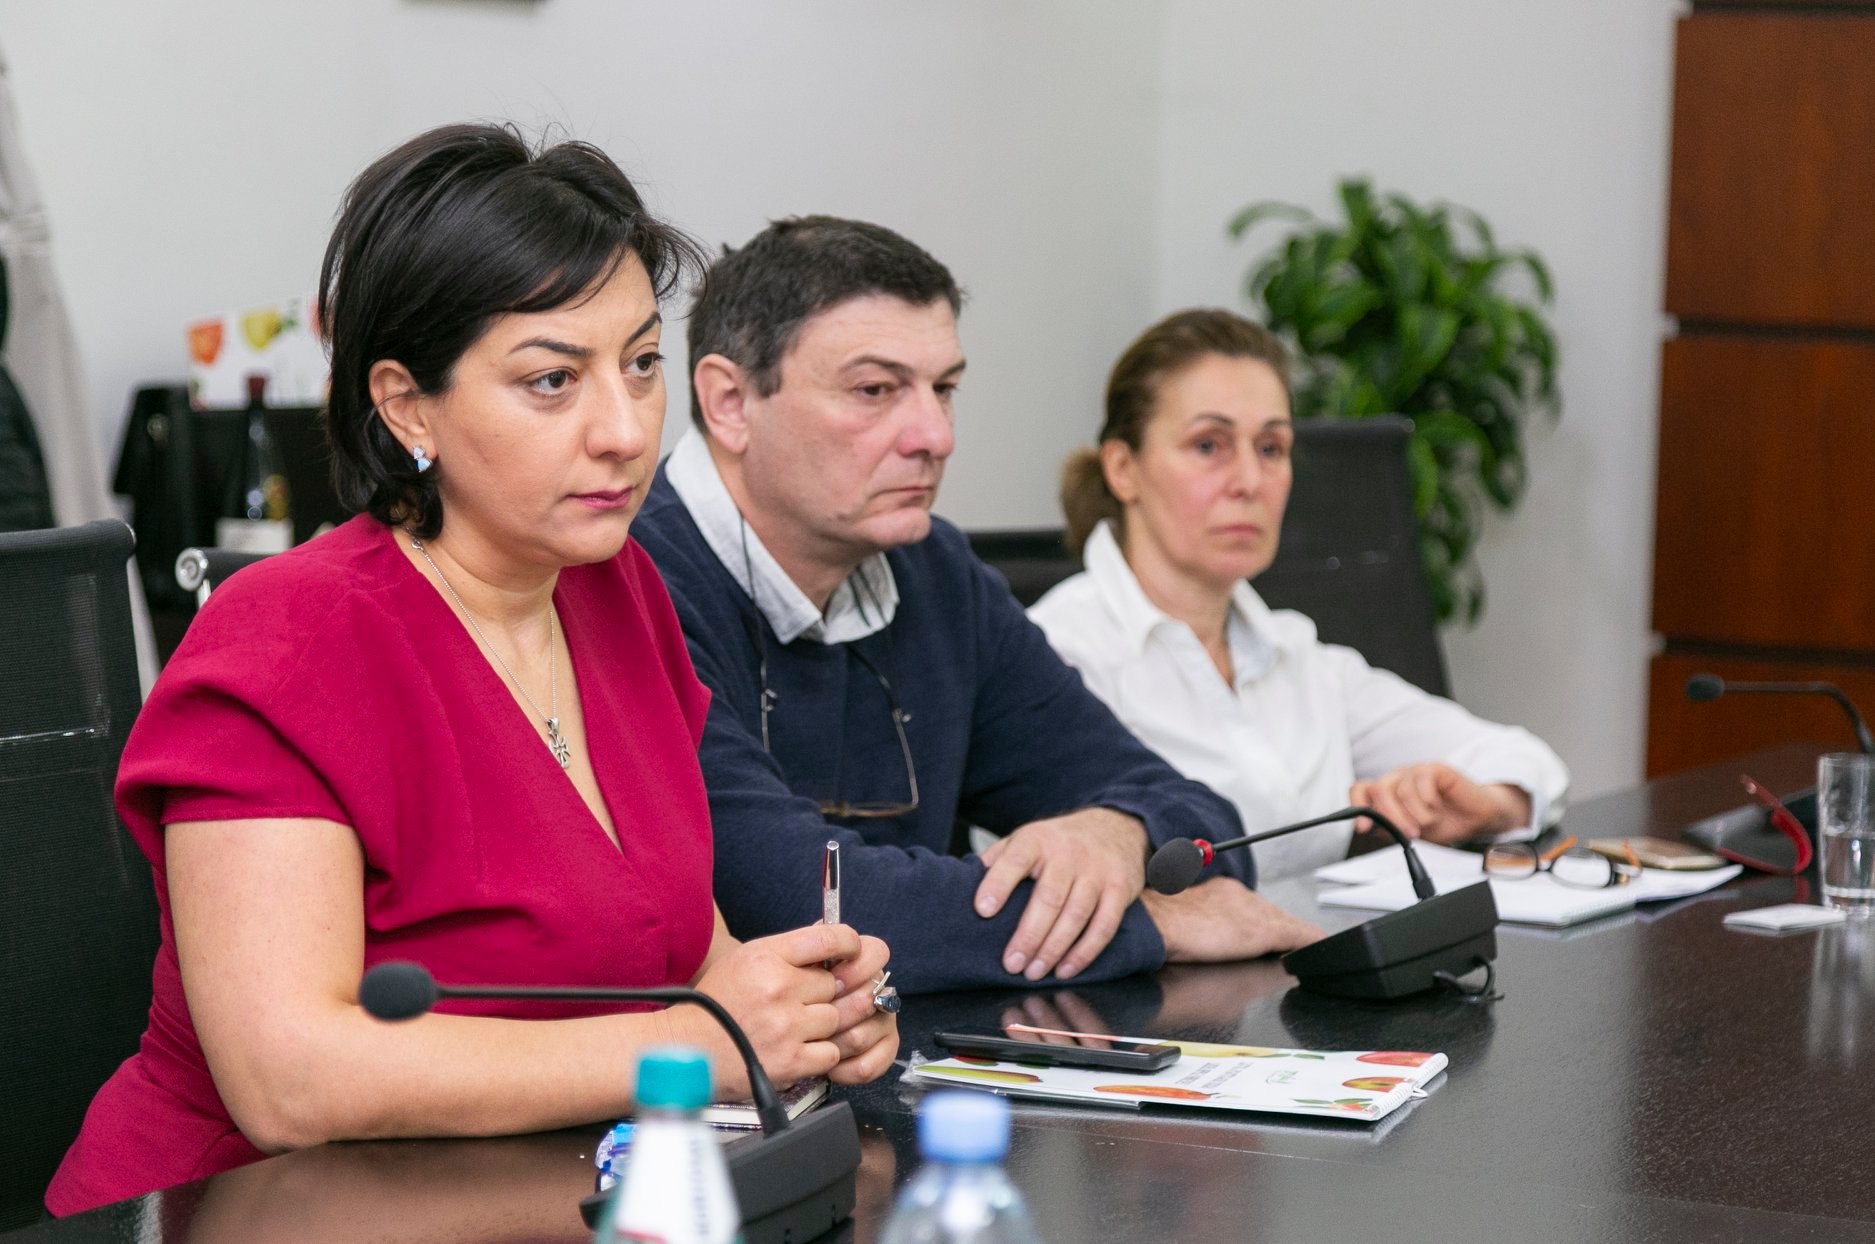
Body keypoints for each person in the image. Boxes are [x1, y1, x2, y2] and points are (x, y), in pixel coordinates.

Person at [47, 126, 896, 1216]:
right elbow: (289, 1079)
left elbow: (690, 960)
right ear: (407, 406)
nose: (624, 430)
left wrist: (797, 1014)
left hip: (525, 1198)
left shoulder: (618, 589)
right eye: (553, 380)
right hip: (250, 1210)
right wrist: (697, 1046)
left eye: (641, 364)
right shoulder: (285, 642)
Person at [632, 217, 1319, 997]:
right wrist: (1150, 925)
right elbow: (788, 903)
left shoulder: (934, 571)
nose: (935, 436)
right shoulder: (627, 582)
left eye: (944, 389)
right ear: (729, 402)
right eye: (874, 390)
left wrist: (1120, 833)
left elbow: (1201, 825)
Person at [1030, 308, 1569, 881]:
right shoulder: (1055, 657)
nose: (1249, 481)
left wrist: (1483, 804)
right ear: (1122, 468)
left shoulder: (1296, 656)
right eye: (1208, 445)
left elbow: (1527, 761)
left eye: (1271, 448)